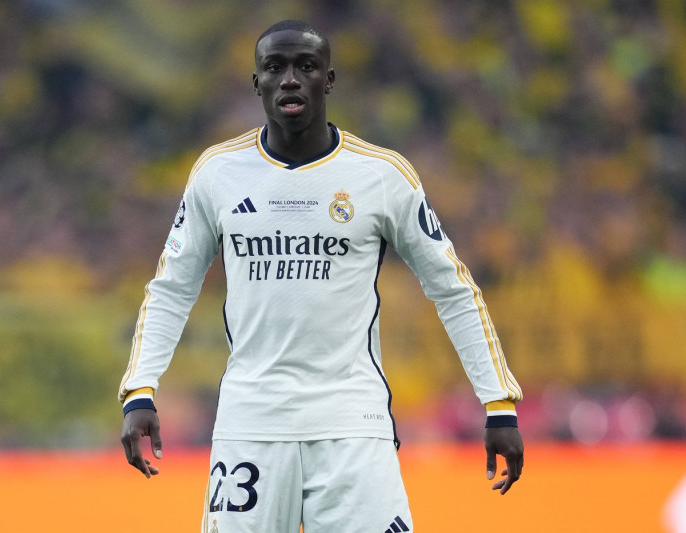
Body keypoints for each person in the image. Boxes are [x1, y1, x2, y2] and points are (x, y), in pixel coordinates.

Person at [119, 19, 524, 532]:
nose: (290, 79)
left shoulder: (381, 176)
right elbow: (171, 288)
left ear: (328, 80)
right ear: (257, 82)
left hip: (353, 428)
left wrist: (499, 403)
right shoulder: (216, 173)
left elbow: (453, 288)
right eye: (275, 67)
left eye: (306, 67)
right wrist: (140, 391)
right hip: (252, 427)